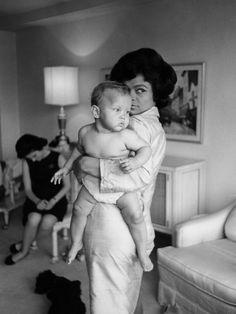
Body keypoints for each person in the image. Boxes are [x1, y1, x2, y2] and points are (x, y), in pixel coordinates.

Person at [72, 48, 177, 314]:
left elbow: (137, 176)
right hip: (127, 222)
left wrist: (88, 164)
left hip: (112, 226)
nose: (130, 99)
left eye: (140, 90)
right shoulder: (138, 123)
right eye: (126, 89)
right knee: (125, 296)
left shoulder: (136, 127)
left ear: (156, 91)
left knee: (108, 302)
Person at [52, 81, 153, 271]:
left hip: (120, 185)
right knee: (78, 209)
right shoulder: (85, 132)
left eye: (127, 112)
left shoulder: (126, 135)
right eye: (117, 110)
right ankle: (76, 243)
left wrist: (135, 162)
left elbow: (145, 149)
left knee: (136, 215)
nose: (124, 117)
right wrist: (66, 168)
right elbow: (78, 152)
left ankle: (142, 251)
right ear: (97, 112)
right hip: (93, 184)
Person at [4, 134, 70, 265]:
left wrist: (53, 201)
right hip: (35, 198)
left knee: (46, 222)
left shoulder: (59, 158)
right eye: (30, 158)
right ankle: (24, 251)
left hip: (56, 199)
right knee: (33, 218)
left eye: (34, 156)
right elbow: (28, 189)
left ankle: (25, 244)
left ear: (39, 148)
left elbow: (67, 186)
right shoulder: (26, 162)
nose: (33, 160)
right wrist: (36, 201)